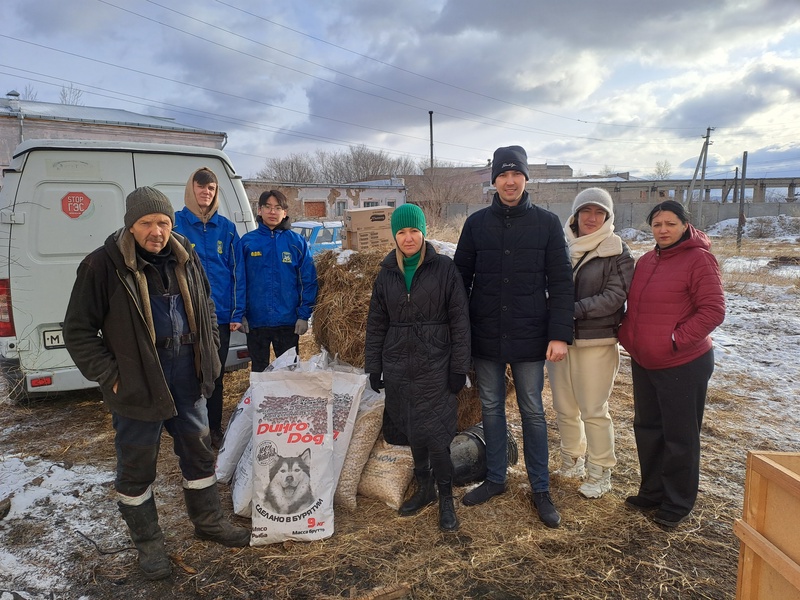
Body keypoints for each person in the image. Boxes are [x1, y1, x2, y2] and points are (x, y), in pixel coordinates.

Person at [63, 186, 250, 581]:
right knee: (136, 467)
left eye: (163, 222)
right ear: (131, 226)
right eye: (146, 223)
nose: (156, 231)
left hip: (187, 373)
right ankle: (149, 545)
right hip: (138, 382)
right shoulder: (102, 266)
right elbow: (78, 331)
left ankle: (208, 522)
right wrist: (112, 376)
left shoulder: (186, 256)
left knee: (199, 453)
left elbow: (206, 306)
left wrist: (211, 359)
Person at [454, 145, 574, 528]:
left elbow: (561, 282)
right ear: (494, 180)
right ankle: (496, 478)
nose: (510, 181)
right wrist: (461, 335)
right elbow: (460, 282)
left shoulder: (547, 223)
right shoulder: (476, 224)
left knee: (532, 411)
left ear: (525, 178)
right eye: (503, 175)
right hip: (486, 333)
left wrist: (559, 335)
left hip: (530, 335)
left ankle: (540, 487)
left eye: (516, 174)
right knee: (490, 406)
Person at [618, 200, 725, 527]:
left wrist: (675, 340)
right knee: (648, 429)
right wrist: (628, 335)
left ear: (684, 225)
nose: (663, 230)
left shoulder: (699, 260)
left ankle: (677, 503)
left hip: (682, 363)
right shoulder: (647, 260)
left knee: (680, 436)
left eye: (670, 224)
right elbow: (637, 307)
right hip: (645, 360)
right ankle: (651, 492)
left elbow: (713, 310)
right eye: (657, 224)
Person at [365, 203, 471, 532]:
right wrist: (374, 365)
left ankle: (446, 500)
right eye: (401, 232)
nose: (408, 238)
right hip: (399, 364)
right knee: (413, 431)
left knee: (438, 436)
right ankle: (424, 488)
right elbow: (376, 323)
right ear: (394, 235)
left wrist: (459, 367)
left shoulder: (444, 270)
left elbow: (460, 322)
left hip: (436, 364)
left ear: (424, 233)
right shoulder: (387, 273)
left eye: (414, 231)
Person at [545, 188, 634, 499]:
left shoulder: (616, 251)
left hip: (597, 341)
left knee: (594, 410)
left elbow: (614, 297)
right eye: (586, 212)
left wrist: (568, 311)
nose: (591, 218)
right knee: (565, 407)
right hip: (561, 341)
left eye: (599, 212)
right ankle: (572, 461)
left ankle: (600, 470)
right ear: (576, 215)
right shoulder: (562, 247)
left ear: (608, 217)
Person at [174, 167, 246, 449]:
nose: (206, 192)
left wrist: (236, 312)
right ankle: (191, 429)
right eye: (201, 186)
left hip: (219, 315)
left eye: (211, 188)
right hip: (184, 315)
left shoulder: (227, 229)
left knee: (214, 373)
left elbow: (238, 272)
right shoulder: (176, 225)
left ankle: (214, 429)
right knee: (187, 373)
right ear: (191, 189)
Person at [241, 190, 318, 372]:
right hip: (256, 321)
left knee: (290, 372)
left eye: (277, 208)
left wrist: (303, 315)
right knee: (259, 372)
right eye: (267, 207)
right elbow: (239, 280)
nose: (272, 212)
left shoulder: (296, 242)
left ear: (285, 212)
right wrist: (241, 314)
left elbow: (308, 280)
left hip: (288, 321)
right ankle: (261, 401)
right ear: (259, 210)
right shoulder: (247, 242)